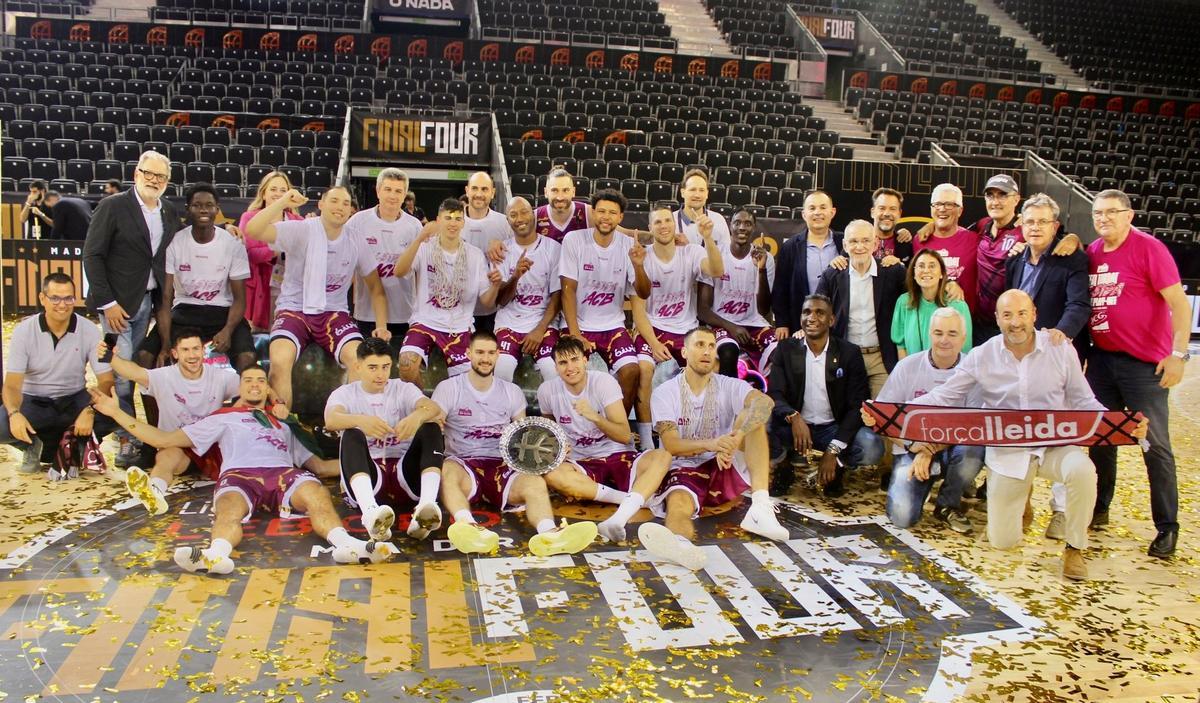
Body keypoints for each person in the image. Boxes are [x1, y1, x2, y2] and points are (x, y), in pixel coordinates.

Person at [911, 290, 1147, 580]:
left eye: (1022, 313)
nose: (1015, 322)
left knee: (1083, 471)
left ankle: (1075, 547)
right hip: (1009, 453)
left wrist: (1121, 424)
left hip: (1054, 445)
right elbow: (945, 396)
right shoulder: (982, 355)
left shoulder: (1060, 349)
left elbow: (1084, 401)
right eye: (1007, 315)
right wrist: (894, 415)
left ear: (1034, 314)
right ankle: (1023, 499)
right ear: (997, 319)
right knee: (1003, 541)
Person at [90, 365, 396, 574]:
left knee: (315, 491)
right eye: (248, 380)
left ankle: (346, 546)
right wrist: (115, 412)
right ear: (239, 386)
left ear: (268, 388)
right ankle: (216, 555)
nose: (254, 384)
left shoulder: (284, 422)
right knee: (228, 509)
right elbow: (163, 439)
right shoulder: (223, 417)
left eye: (261, 380)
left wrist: (373, 457)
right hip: (240, 475)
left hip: (282, 474)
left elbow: (320, 466)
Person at [1086, 189, 1190, 559]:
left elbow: (1179, 305)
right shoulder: (1093, 252)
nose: (1104, 219)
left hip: (1144, 365)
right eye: (1098, 213)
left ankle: (1167, 527)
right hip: (1102, 362)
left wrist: (1178, 354)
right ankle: (1099, 508)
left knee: (1155, 445)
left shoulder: (1149, 249)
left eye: (1112, 212)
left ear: (1129, 215)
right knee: (1101, 440)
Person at [433, 332, 599, 556]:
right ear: (468, 354)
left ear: (498, 355)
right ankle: (467, 527)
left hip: (503, 465)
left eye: (491, 353)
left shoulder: (511, 392)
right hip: (464, 463)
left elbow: (524, 435)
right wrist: (436, 421)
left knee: (534, 482)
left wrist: (554, 448)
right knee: (448, 471)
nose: (485, 358)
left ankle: (549, 534)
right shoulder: (448, 388)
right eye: (480, 352)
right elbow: (435, 424)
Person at [638, 326, 786, 571]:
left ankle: (760, 507)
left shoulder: (728, 385)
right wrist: (713, 444)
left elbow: (765, 402)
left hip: (723, 462)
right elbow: (672, 446)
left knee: (753, 419)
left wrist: (736, 438)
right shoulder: (665, 392)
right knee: (678, 504)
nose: (706, 351)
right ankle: (680, 545)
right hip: (685, 465)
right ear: (684, 352)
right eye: (699, 345)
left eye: (710, 346)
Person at [245, 186, 390, 406]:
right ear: (321, 204)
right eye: (334, 201)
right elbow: (253, 230)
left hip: (333, 313)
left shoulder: (356, 240)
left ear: (350, 210)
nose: (339, 207)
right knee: (280, 360)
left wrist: (381, 326)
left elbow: (377, 289)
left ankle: (351, 428)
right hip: (294, 308)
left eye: (345, 203)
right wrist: (283, 201)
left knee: (360, 360)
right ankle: (282, 430)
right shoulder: (301, 229)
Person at [83, 150, 182, 468]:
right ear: (136, 173)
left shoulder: (168, 210)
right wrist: (107, 303)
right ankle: (127, 441)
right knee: (123, 373)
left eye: (160, 176)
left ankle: (144, 435)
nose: (154, 180)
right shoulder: (113, 206)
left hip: (151, 303)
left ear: (167, 181)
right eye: (148, 174)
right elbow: (92, 255)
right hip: (118, 306)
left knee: (140, 369)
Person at [1004, 193, 1092, 540]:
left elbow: (1079, 305)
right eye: (1030, 222)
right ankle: (1023, 502)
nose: (1035, 227)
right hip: (1021, 357)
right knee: (1022, 429)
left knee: (1064, 433)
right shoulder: (1016, 260)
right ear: (1021, 226)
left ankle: (1061, 512)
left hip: (1057, 356)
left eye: (1043, 222)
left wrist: (1062, 334)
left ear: (1056, 226)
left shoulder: (1070, 257)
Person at [537, 336, 672, 542]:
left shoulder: (603, 382)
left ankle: (618, 519)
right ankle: (631, 501)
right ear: (555, 367)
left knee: (662, 456)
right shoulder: (547, 390)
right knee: (551, 474)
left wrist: (594, 416)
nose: (570, 367)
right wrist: (557, 446)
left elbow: (624, 435)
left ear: (585, 360)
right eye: (563, 363)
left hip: (617, 454)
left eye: (574, 360)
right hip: (581, 462)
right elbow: (550, 431)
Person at [870, 307, 984, 533]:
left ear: (963, 337)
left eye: (952, 334)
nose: (944, 340)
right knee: (901, 517)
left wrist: (929, 450)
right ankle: (923, 485)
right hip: (910, 448)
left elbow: (973, 425)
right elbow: (884, 423)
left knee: (974, 448)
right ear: (929, 333)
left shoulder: (973, 370)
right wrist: (915, 447)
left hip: (953, 447)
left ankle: (948, 504)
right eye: (938, 332)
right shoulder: (907, 366)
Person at [102, 328, 240, 514]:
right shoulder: (164, 376)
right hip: (178, 446)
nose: (192, 355)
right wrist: (110, 356)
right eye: (185, 350)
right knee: (166, 457)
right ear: (175, 353)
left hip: (212, 448)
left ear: (203, 351)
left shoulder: (221, 376)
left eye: (196, 349)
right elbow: (133, 372)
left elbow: (252, 385)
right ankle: (155, 490)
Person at [324, 338, 447, 542]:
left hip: (405, 475)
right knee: (351, 432)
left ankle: (426, 507)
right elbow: (331, 420)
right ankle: (370, 513)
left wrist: (416, 417)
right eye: (373, 367)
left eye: (385, 367)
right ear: (358, 366)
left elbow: (432, 407)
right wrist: (362, 421)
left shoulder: (402, 388)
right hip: (371, 477)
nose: (380, 374)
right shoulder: (345, 393)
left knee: (430, 425)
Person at [766, 294, 885, 497]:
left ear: (831, 320)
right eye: (807, 312)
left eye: (819, 313)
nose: (812, 318)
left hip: (833, 428)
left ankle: (836, 467)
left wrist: (833, 450)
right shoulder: (785, 349)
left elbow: (858, 403)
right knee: (762, 428)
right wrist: (793, 416)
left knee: (871, 446)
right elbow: (775, 393)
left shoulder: (849, 353)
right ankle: (784, 467)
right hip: (796, 427)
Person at [1, 273, 115, 473]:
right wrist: (14, 413)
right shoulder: (23, 331)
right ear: (42, 298)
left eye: (68, 298)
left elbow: (106, 381)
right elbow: (11, 385)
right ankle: (31, 445)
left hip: (73, 399)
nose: (62, 305)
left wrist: (90, 411)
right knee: (3, 422)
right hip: (34, 401)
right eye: (55, 298)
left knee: (119, 411)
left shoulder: (89, 329)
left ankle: (73, 447)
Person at [631, 202, 723, 448]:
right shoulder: (643, 257)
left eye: (667, 220)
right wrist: (653, 342)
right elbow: (638, 312)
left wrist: (708, 239)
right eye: (657, 222)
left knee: (710, 366)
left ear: (675, 224)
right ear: (650, 227)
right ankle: (647, 440)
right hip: (654, 328)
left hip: (685, 330)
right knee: (644, 369)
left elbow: (717, 269)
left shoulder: (691, 251)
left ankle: (697, 430)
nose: (663, 226)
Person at [137, 183, 256, 373]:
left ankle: (240, 403)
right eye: (197, 205)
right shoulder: (175, 243)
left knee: (247, 358)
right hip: (185, 311)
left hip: (223, 311)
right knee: (145, 356)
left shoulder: (233, 244)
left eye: (209, 205)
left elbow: (240, 299)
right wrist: (167, 343)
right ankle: (161, 404)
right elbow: (166, 297)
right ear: (188, 209)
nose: (203, 210)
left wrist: (228, 330)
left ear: (217, 209)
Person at [560, 190, 651, 413]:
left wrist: (639, 266)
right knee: (571, 371)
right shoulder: (574, 240)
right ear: (592, 213)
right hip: (578, 325)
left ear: (620, 218)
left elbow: (644, 292)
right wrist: (575, 333)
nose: (605, 217)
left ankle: (616, 430)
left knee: (631, 370)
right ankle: (573, 430)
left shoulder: (628, 245)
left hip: (612, 326)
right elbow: (568, 290)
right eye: (601, 211)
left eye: (612, 213)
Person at [394, 198, 499, 385]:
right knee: (406, 366)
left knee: (466, 384)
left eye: (458, 218)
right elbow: (399, 271)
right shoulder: (425, 247)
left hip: (458, 327)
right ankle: (423, 407)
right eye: (448, 217)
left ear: (463, 223)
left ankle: (448, 410)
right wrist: (419, 238)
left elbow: (487, 301)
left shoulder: (474, 255)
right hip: (425, 322)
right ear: (438, 220)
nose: (453, 223)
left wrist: (496, 285)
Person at [816, 219, 907, 398]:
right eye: (853, 241)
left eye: (866, 241)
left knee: (882, 414)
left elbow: (916, 298)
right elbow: (815, 311)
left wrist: (950, 287)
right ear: (844, 244)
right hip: (846, 357)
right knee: (848, 414)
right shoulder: (832, 274)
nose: (859, 247)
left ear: (875, 244)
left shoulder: (892, 272)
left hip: (881, 358)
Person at [346, 169, 423, 348]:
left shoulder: (414, 226)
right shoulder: (358, 221)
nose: (393, 196)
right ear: (378, 191)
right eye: (388, 189)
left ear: (405, 195)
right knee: (369, 366)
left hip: (404, 312)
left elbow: (421, 271)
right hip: (366, 312)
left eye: (398, 191)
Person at [698, 206, 776, 378]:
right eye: (737, 223)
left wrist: (761, 270)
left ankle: (772, 401)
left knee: (779, 353)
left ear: (754, 228)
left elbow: (764, 309)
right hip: (722, 323)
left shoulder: (765, 258)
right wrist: (733, 327)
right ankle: (728, 401)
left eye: (748, 223)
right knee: (728, 352)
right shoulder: (716, 255)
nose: (742, 227)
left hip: (754, 323)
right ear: (730, 225)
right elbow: (702, 310)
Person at [494, 197, 561, 383]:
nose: (520, 218)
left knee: (552, 371)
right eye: (513, 215)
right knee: (502, 369)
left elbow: (558, 295)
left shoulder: (553, 249)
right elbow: (500, 300)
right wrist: (515, 277)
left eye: (524, 212)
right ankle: (507, 413)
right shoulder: (502, 251)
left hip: (543, 323)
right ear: (508, 221)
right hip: (509, 323)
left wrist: (540, 329)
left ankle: (549, 413)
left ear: (533, 215)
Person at [772, 190, 843, 339]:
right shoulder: (790, 247)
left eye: (823, 207)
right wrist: (782, 323)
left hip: (839, 323)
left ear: (833, 212)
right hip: (802, 325)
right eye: (812, 208)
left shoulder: (844, 243)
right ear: (804, 214)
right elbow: (780, 288)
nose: (818, 212)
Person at [240, 171, 304, 334]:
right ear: (263, 193)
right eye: (273, 189)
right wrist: (276, 249)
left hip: (291, 290)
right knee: (260, 338)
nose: (279, 194)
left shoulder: (299, 221)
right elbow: (250, 254)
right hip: (261, 288)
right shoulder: (249, 217)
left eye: (283, 190)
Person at [891, 249, 974, 358]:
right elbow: (901, 346)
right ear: (914, 274)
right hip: (914, 372)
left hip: (950, 373)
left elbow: (965, 350)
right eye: (921, 266)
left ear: (941, 273)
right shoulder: (904, 302)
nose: (926, 270)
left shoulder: (958, 305)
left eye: (932, 266)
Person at [912, 183, 980, 315]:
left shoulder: (975, 240)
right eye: (937, 204)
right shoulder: (919, 240)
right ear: (931, 208)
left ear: (960, 210)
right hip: (927, 321)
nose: (942, 209)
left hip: (963, 322)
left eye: (949, 204)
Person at [672, 168, 731, 248]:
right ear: (683, 192)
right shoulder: (670, 220)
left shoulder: (718, 220)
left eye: (702, 190)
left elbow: (726, 256)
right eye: (692, 190)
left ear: (707, 194)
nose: (697, 195)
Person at [869, 187, 913, 264]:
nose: (887, 213)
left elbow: (911, 273)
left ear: (899, 213)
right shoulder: (857, 240)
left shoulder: (906, 245)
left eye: (892, 209)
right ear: (872, 212)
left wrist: (899, 265)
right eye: (882, 208)